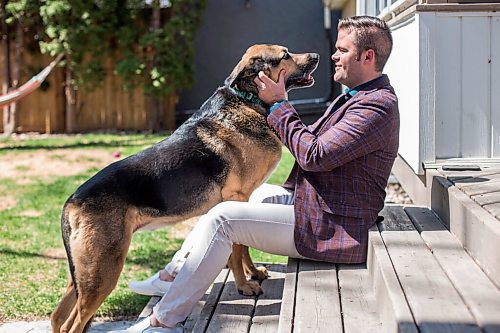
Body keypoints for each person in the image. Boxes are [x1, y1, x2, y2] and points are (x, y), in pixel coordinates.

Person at [111, 15, 399, 333]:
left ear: (367, 56)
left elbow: (314, 155)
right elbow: (312, 143)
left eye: (342, 50)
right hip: (321, 207)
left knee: (224, 219)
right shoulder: (357, 97)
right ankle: (173, 274)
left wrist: (277, 104)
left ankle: (162, 321)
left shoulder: (376, 107)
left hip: (333, 227)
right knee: (255, 195)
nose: (332, 56)